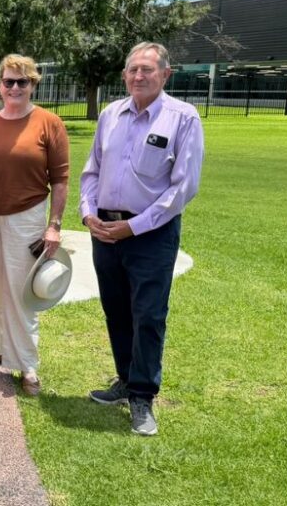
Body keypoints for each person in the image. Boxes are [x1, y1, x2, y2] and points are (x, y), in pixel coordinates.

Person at [81, 41, 204, 436]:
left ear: (165, 74)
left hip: (151, 235)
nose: (139, 76)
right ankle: (125, 379)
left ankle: (142, 396)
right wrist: (88, 212)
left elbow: (183, 188)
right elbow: (92, 171)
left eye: (147, 69)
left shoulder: (182, 118)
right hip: (106, 231)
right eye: (133, 69)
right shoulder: (110, 115)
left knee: (148, 315)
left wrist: (133, 227)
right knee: (116, 310)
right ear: (124, 75)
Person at [0, 54, 70, 397]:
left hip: (26, 215)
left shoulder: (48, 123)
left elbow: (60, 179)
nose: (15, 88)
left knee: (20, 291)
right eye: (8, 81)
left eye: (22, 82)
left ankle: (27, 363)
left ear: (32, 84)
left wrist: (54, 225)